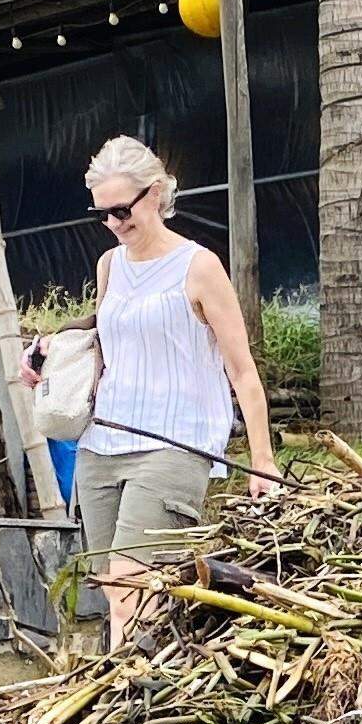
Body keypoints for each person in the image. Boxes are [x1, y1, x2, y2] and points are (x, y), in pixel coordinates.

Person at [72, 136, 278, 646]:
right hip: (103, 442)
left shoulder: (200, 266)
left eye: (122, 209)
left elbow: (243, 370)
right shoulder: (109, 266)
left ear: (156, 193)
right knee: (114, 587)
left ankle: (121, 695)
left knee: (132, 581)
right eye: (102, 214)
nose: (115, 223)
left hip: (175, 443)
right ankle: (130, 687)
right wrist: (50, 358)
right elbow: (107, 343)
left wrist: (263, 460)